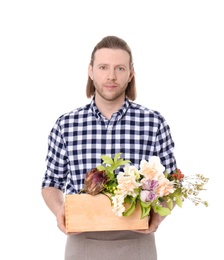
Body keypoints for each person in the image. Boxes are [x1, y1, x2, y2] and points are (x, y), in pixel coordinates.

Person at [41, 35, 177, 260]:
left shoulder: (154, 123)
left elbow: (171, 182)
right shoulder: (66, 125)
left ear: (130, 73)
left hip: (138, 242)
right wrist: (59, 210)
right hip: (81, 243)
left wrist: (158, 216)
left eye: (120, 68)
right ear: (91, 71)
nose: (111, 76)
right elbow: (51, 183)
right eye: (103, 67)